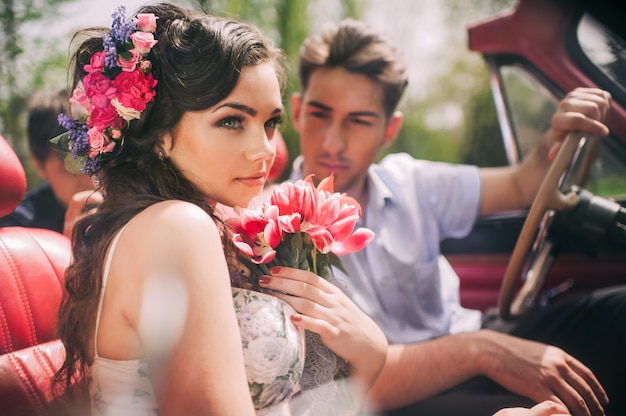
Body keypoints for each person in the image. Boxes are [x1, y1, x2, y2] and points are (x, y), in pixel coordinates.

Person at [51, 4, 389, 416]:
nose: (264, 149)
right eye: (232, 121)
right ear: (159, 134)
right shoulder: (177, 227)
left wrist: (367, 360)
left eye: (270, 123)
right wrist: (369, 361)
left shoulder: (209, 226)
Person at [288, 18, 625, 416]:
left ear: (390, 130)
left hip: (477, 336)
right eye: (320, 114)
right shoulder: (269, 232)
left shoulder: (414, 181)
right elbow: (335, 392)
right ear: (296, 111)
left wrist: (555, 138)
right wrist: (481, 352)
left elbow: (523, 185)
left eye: (358, 121)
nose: (332, 142)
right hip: (399, 393)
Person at [0, 90, 98, 237]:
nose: (86, 174)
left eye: (94, 156)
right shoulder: (17, 230)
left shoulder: (129, 197)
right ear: (39, 165)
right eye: (68, 164)